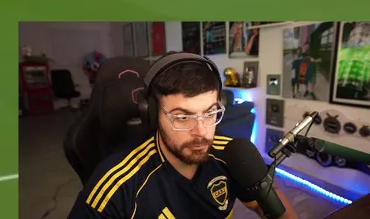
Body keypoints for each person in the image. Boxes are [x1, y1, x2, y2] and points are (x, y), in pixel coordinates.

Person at [67, 54, 298, 219]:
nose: (201, 131)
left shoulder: (231, 155)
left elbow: (264, 204)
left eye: (210, 113)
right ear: (152, 115)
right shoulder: (116, 186)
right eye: (182, 117)